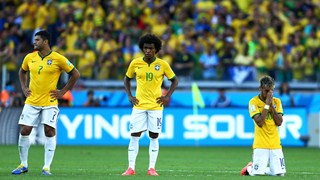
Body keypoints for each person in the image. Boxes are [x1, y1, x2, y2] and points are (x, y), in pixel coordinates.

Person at [11, 30, 80, 176]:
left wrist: (63, 91)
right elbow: (22, 72)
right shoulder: (29, 57)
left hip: (50, 101)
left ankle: (46, 167)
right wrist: (24, 87)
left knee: (49, 131)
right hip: (32, 101)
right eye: (34, 40)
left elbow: (75, 74)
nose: (34, 42)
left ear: (45, 41)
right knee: (25, 130)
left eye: (37, 40)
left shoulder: (58, 58)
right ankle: (23, 164)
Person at [122, 34, 178, 176]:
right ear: (142, 48)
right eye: (145, 48)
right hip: (139, 106)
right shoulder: (135, 63)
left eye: (151, 48)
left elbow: (175, 80)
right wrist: (129, 95)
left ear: (156, 49)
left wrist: (167, 96)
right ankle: (130, 168)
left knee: (154, 136)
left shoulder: (163, 64)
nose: (147, 50)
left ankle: (151, 168)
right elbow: (126, 79)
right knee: (134, 135)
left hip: (156, 106)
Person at [240, 75, 286, 176]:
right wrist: (266, 105)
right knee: (257, 174)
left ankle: (264, 168)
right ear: (260, 88)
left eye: (271, 91)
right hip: (260, 144)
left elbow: (279, 122)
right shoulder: (253, 102)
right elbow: (260, 122)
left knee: (279, 174)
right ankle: (249, 168)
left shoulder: (277, 102)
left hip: (275, 143)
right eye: (266, 91)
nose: (269, 94)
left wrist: (271, 106)